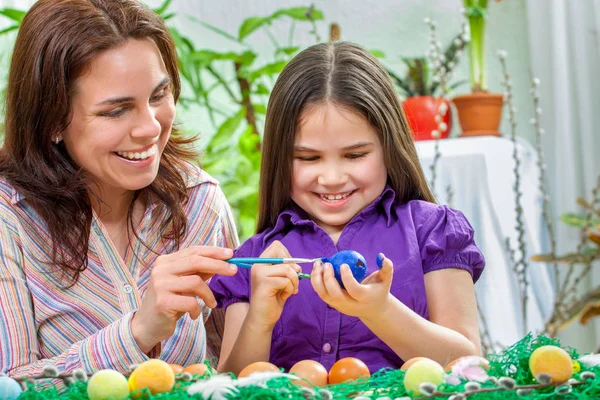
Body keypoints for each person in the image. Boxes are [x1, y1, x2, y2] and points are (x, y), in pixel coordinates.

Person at [209, 41, 485, 375]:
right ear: (280, 159)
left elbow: (468, 361)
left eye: (355, 155)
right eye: (308, 158)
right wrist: (260, 319)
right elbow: (229, 384)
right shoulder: (261, 258)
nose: (332, 178)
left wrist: (379, 310)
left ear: (389, 147)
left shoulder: (432, 232)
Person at [0, 0, 239, 378]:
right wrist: (136, 333)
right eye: (116, 110)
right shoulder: (9, 219)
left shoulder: (199, 201)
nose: (150, 127)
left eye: (158, 96)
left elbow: (234, 372)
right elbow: (8, 387)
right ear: (51, 121)